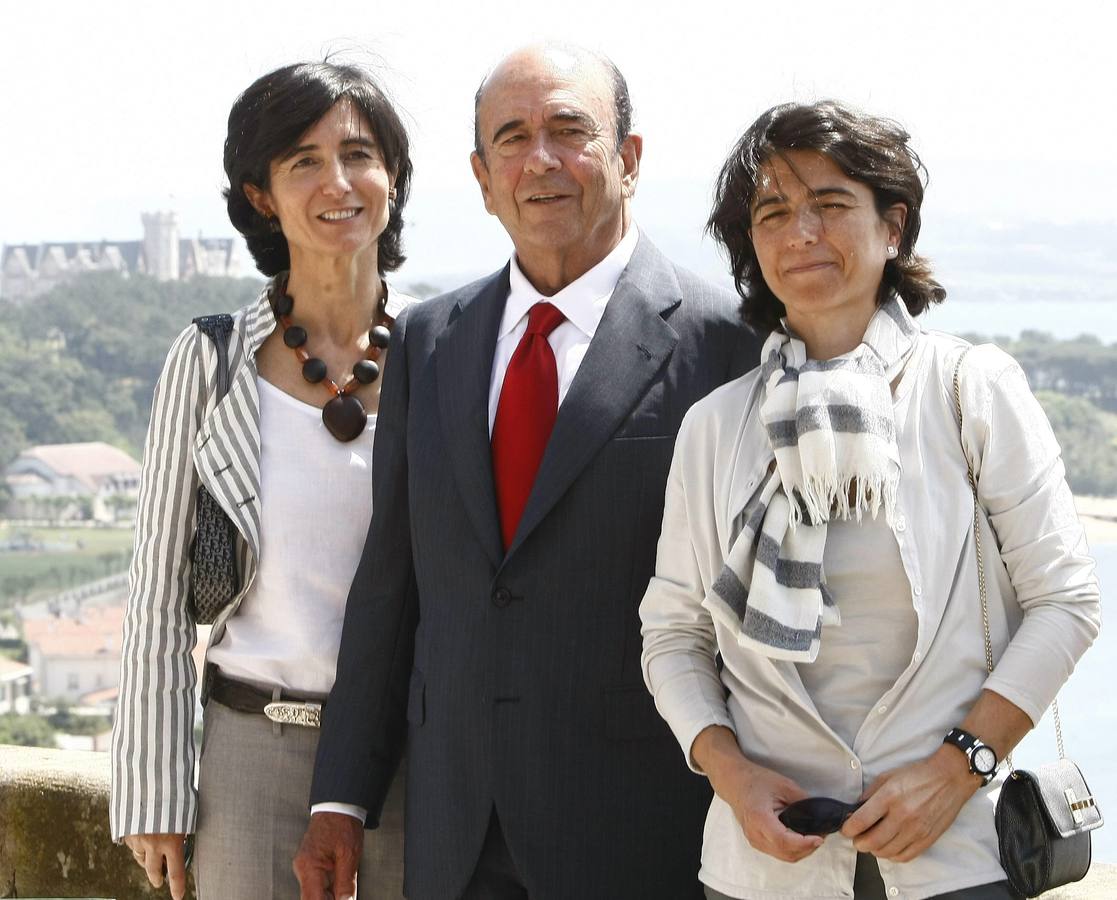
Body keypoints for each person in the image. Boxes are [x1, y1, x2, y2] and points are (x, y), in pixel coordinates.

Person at [293, 44, 761, 900]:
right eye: (510, 138)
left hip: (640, 831)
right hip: (453, 830)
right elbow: (393, 585)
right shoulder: (430, 341)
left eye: (568, 130)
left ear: (629, 157)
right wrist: (339, 798)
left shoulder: (727, 345)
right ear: (480, 176)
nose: (538, 159)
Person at [639, 99, 1102, 900]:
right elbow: (672, 632)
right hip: (761, 870)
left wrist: (959, 768)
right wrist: (728, 774)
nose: (800, 232)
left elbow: (1065, 601)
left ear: (892, 227)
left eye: (830, 203)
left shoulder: (969, 389)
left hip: (955, 859)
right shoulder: (714, 427)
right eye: (773, 212)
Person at [110, 61, 417, 900]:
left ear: (392, 176)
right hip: (252, 750)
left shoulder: (444, 352)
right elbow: (158, 595)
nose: (338, 182)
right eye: (302, 162)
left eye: (359, 153)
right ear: (260, 196)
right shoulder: (209, 361)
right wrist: (156, 794)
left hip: (411, 757)